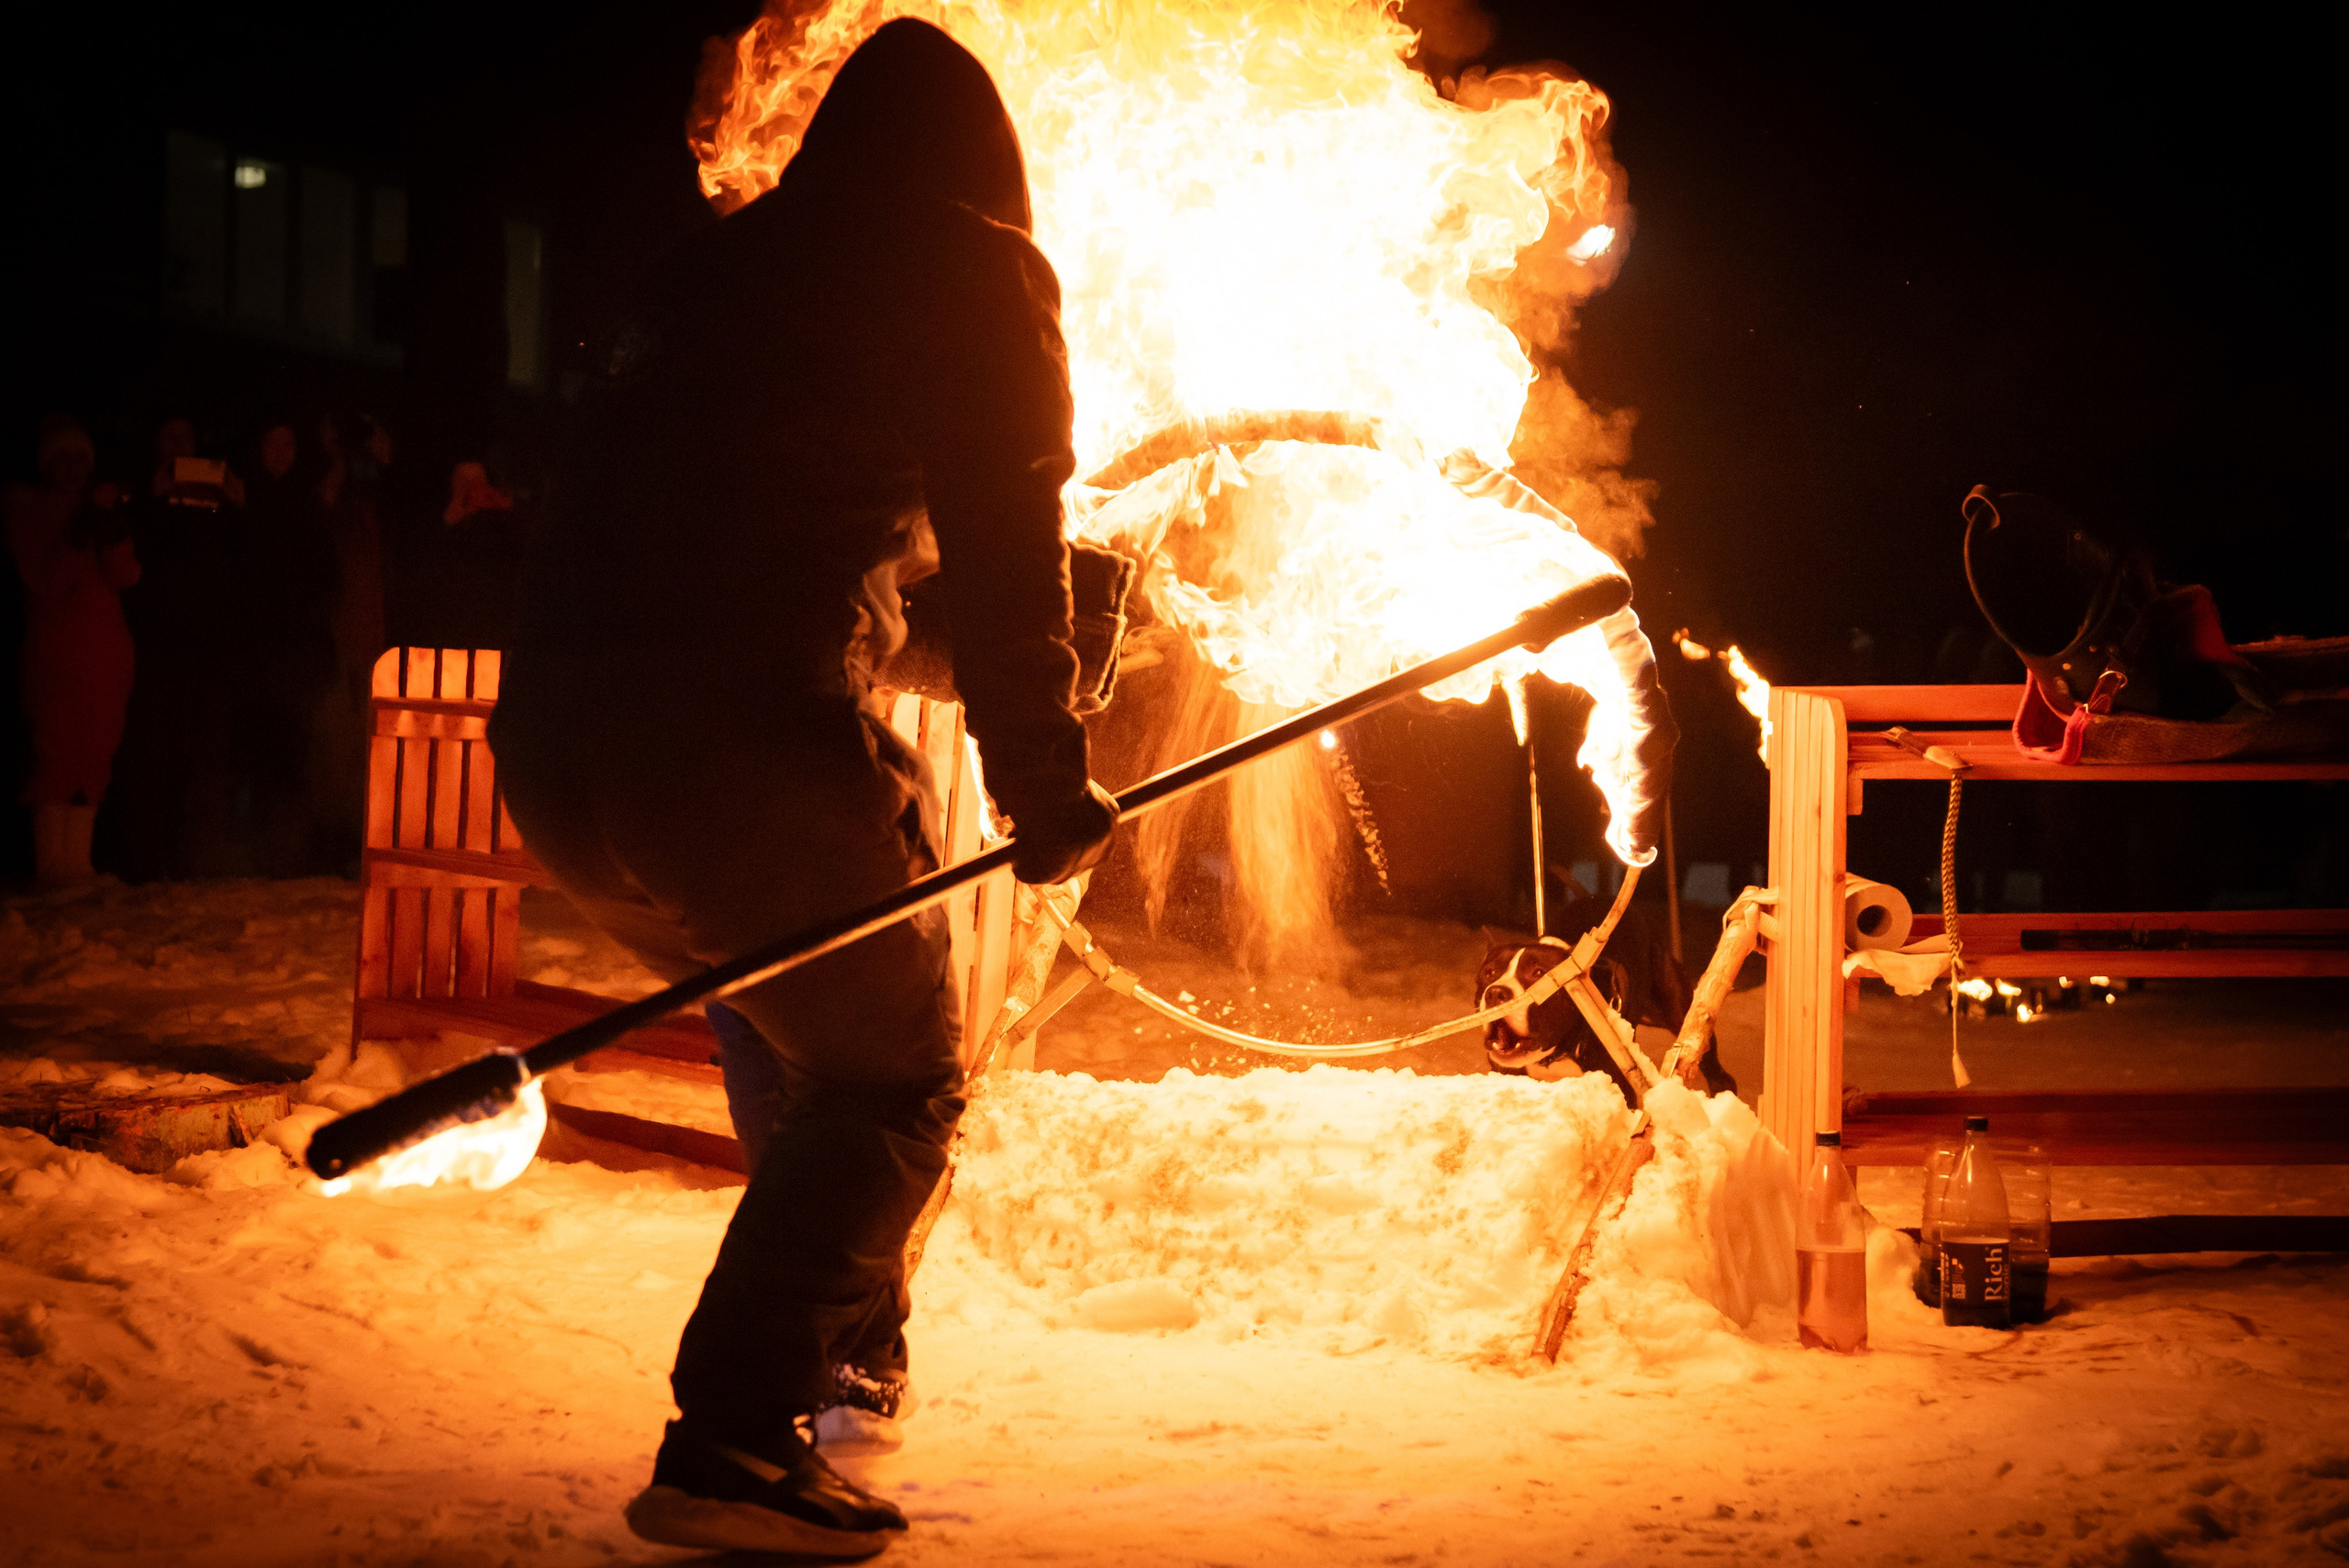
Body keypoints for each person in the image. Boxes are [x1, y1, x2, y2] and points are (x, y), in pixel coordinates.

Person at [490, 19, 1117, 1556]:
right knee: (897, 1069)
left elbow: (792, 563)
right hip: (727, 750)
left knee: (797, 1006)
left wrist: (1034, 673)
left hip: (562, 746)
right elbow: (1006, 538)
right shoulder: (977, 272)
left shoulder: (711, 275)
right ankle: (731, 1430)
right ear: (990, 173)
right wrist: (1047, 774)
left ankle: (835, 1339)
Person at [6, 416, 139, 887]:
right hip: (56, 655)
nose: (71, 468)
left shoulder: (93, 511)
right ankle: (50, 867)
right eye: (61, 458)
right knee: (56, 755)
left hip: (105, 657)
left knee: (95, 754)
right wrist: (83, 527)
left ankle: (77, 866)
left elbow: (126, 576)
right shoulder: (27, 509)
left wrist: (111, 526)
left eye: (80, 459)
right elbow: (47, 580)